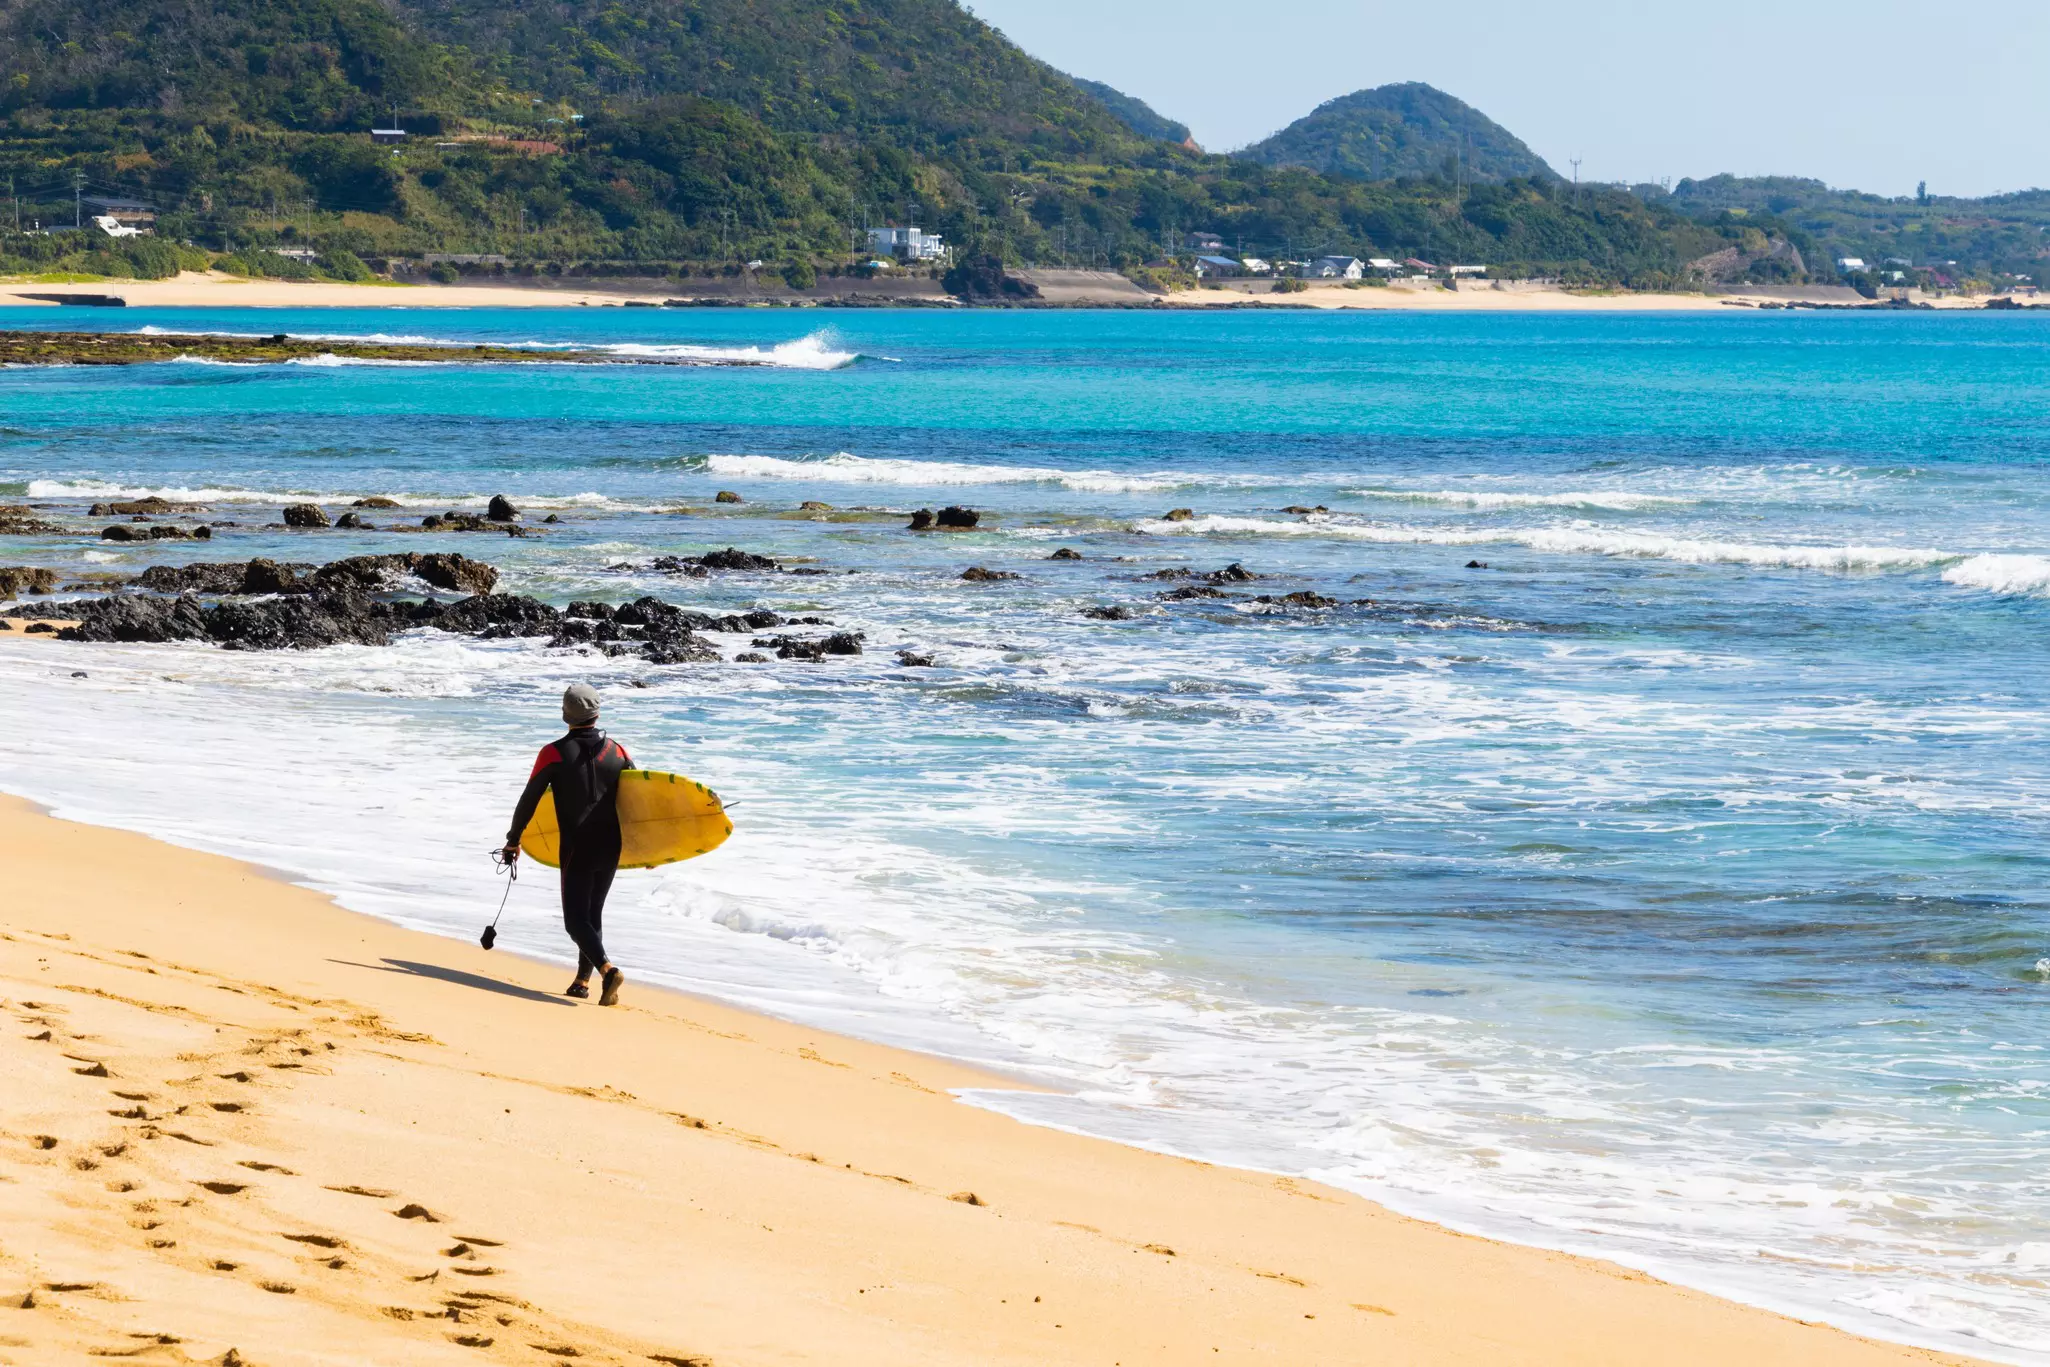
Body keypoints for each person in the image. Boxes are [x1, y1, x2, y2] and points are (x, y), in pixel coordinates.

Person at [502, 683, 635, 1005]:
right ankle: (581, 982)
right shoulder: (618, 751)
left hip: (578, 846)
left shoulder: (554, 752)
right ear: (598, 711)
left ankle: (607, 969)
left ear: (565, 715)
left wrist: (513, 839)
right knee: (593, 914)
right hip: (611, 845)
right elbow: (639, 803)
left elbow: (529, 799)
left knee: (575, 920)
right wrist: (649, 848)